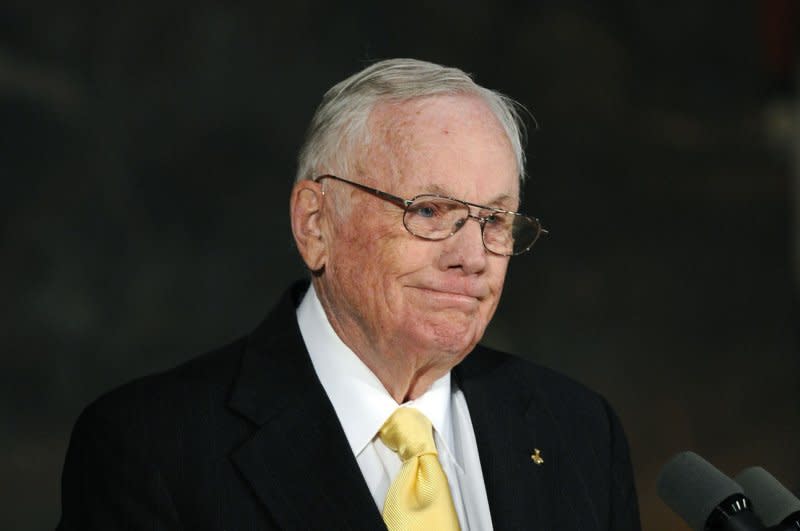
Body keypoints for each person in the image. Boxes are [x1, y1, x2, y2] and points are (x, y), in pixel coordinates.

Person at [58, 58, 641, 530]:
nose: (472, 256)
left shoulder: (578, 431)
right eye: (431, 211)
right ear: (316, 224)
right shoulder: (153, 450)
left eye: (495, 218)